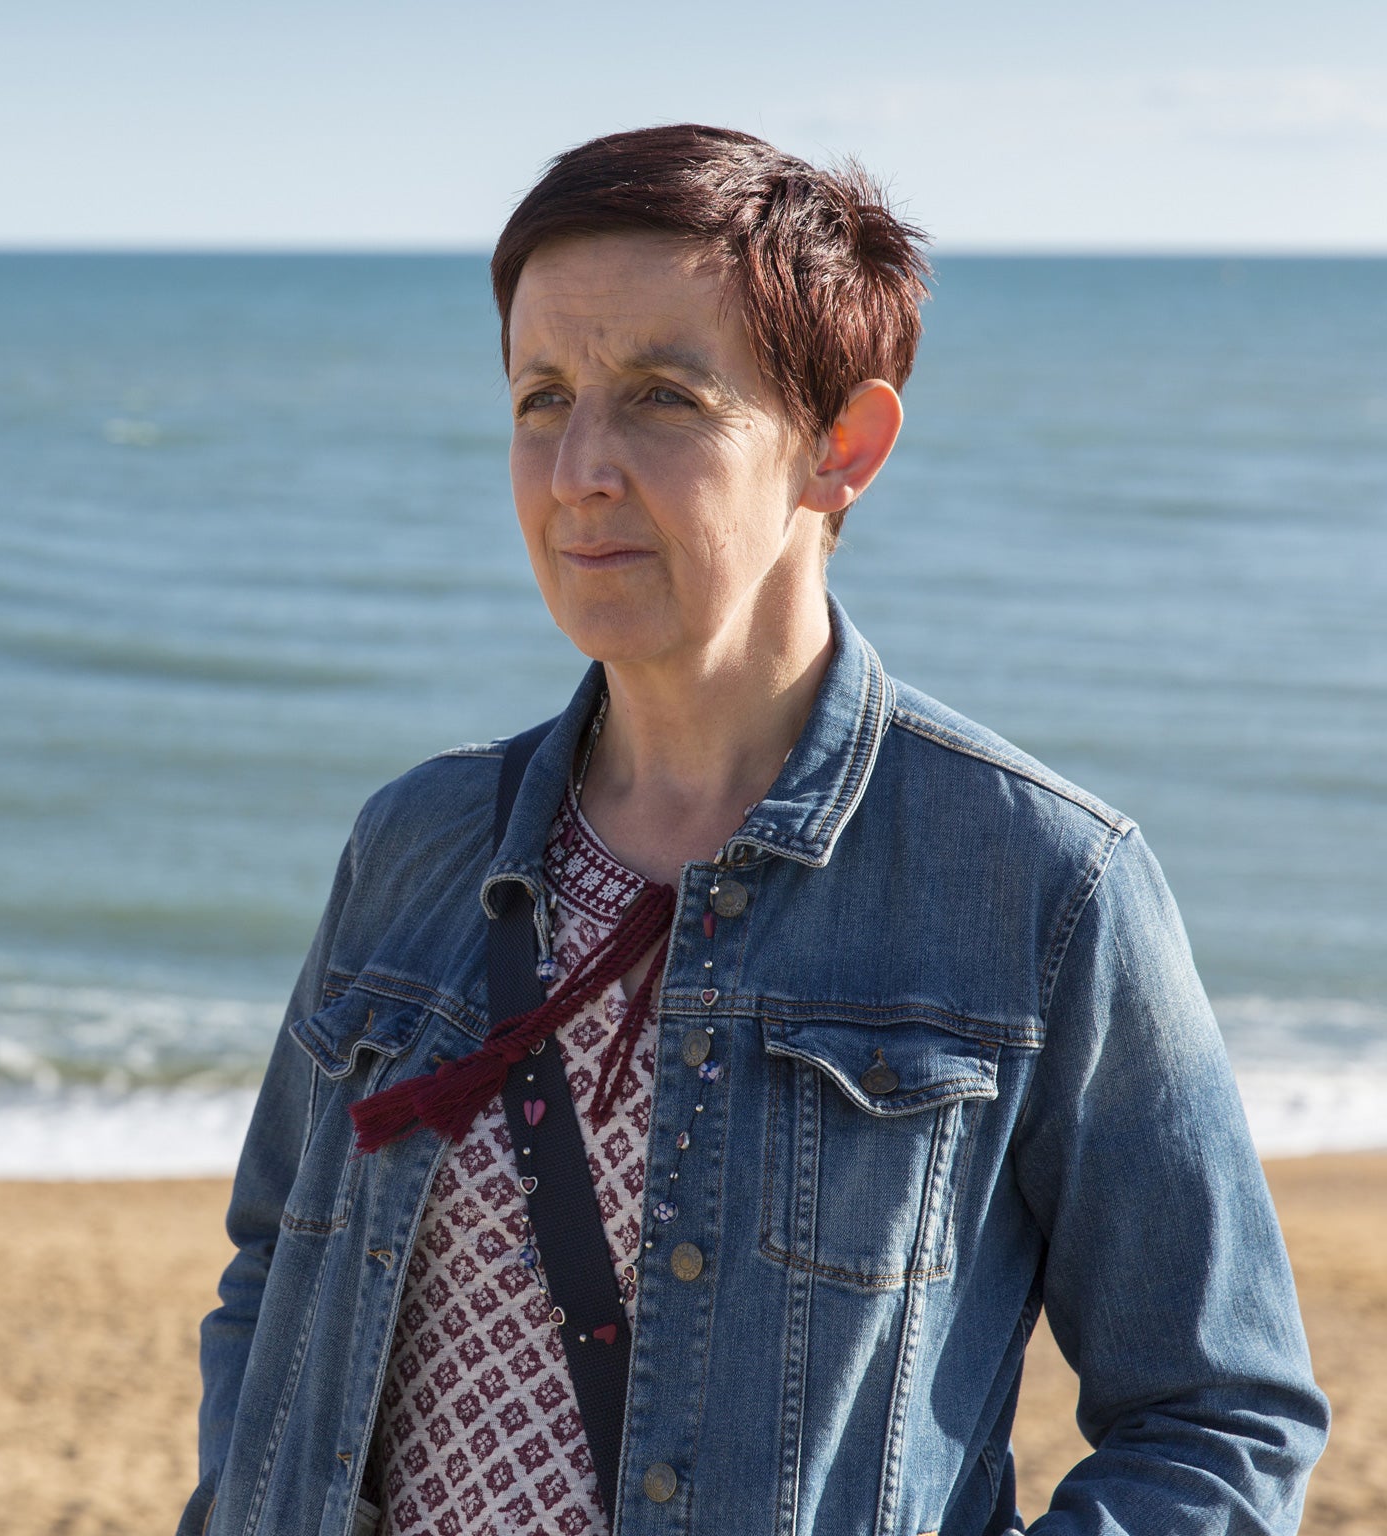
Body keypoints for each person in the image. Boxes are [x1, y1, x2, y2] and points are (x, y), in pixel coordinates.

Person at [180, 125, 1328, 1536]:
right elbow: (272, 1275)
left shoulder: (1040, 884)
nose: (577, 469)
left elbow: (1221, 1412)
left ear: (840, 448)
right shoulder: (416, 842)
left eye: (663, 396)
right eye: (543, 396)